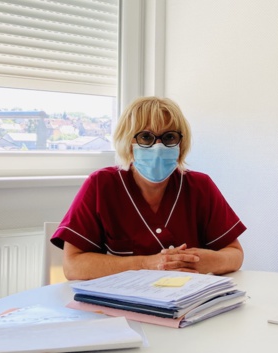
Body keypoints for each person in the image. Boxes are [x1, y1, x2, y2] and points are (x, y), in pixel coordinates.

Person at [51, 97, 246, 280]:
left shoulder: (199, 187)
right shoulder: (102, 185)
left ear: (181, 143)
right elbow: (72, 266)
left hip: (186, 304)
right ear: (128, 142)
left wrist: (203, 261)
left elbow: (235, 254)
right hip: (122, 304)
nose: (158, 146)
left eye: (169, 137)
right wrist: (147, 263)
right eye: (146, 137)